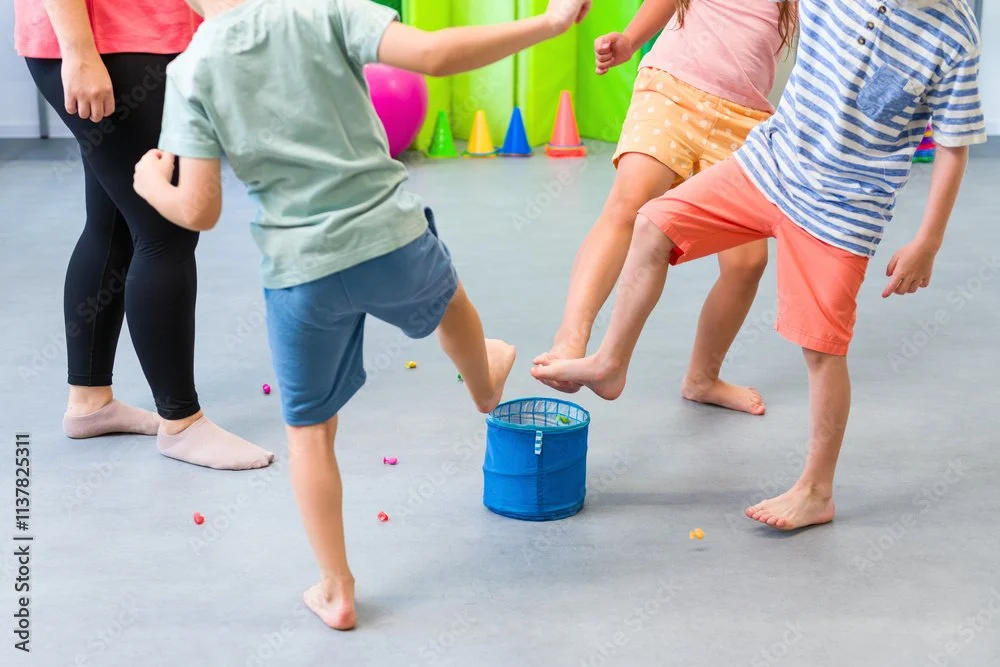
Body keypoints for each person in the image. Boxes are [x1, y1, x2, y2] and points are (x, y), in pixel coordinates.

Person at [132, 0, 592, 630]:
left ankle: (337, 588)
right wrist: (547, 23)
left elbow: (201, 209)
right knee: (450, 300)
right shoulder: (322, 11)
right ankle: (484, 384)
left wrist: (151, 183)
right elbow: (433, 55)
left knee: (310, 435)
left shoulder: (191, 69)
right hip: (390, 239)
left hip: (300, 271)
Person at [532, 0, 986, 530]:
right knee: (653, 223)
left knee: (822, 349)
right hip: (769, 163)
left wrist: (928, 241)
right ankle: (610, 363)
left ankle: (817, 492)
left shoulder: (956, 34)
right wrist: (626, 36)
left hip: (842, 208)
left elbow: (953, 146)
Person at [15, 0, 273, 470]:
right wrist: (78, 51)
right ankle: (183, 425)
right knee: (166, 232)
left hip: (130, 40)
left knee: (112, 222)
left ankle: (90, 401)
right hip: (111, 45)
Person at [536, 0, 798, 415]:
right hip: (673, 88)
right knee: (630, 203)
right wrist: (629, 41)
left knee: (747, 264)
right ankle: (571, 339)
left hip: (744, 119)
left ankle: (702, 378)